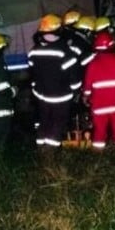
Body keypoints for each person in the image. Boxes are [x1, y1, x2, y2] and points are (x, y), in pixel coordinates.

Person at [27, 14, 82, 147]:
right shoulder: (65, 51)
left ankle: (40, 145)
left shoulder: (33, 51)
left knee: (44, 120)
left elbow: (32, 75)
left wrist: (35, 89)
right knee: (58, 122)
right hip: (61, 96)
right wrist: (75, 90)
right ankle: (50, 151)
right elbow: (74, 76)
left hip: (41, 95)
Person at [82, 30, 115, 148]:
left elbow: (87, 86)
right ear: (112, 45)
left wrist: (86, 97)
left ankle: (97, 159)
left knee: (99, 132)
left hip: (99, 105)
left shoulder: (93, 64)